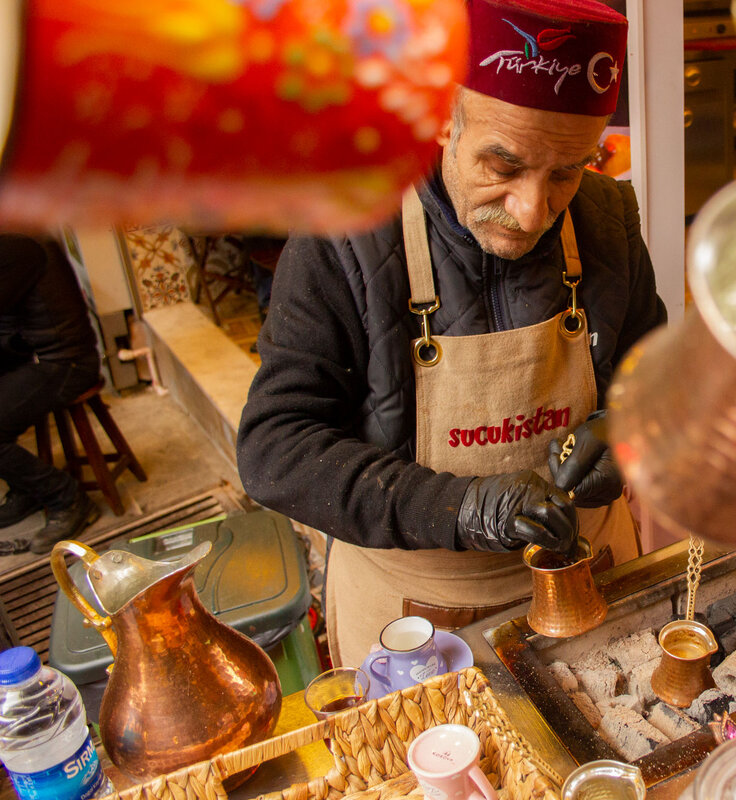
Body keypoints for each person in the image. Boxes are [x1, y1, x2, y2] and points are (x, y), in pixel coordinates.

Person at [237, 0, 667, 667]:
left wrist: (627, 433)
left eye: (566, 170)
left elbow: (657, 377)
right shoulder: (346, 232)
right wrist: (459, 507)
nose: (533, 212)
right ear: (443, 119)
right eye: (504, 166)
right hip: (416, 614)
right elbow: (276, 449)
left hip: (592, 576)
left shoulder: (606, 218)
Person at [0, 234, 101, 552]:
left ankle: (67, 498)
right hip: (37, 358)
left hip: (64, 363)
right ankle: (27, 490)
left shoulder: (18, 241)